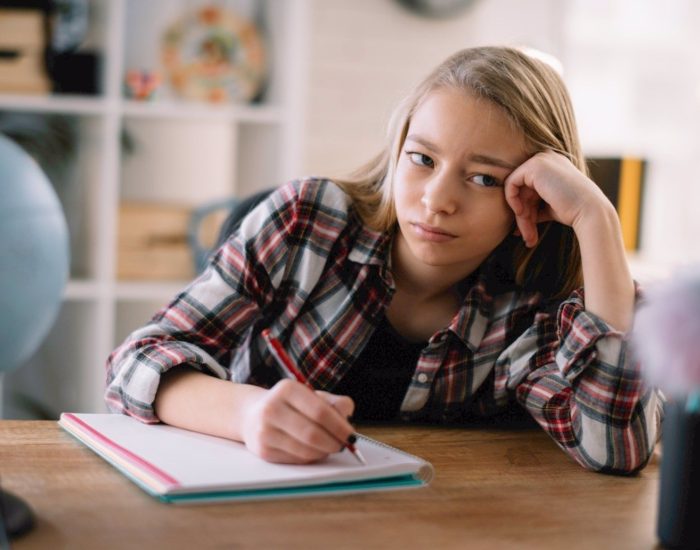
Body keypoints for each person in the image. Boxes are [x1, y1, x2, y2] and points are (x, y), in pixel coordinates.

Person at [106, 46, 662, 473]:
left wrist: (597, 220)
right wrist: (247, 414)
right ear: (398, 150)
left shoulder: (535, 307)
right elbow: (137, 361)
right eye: (422, 158)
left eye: (483, 178)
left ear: (534, 196)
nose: (436, 199)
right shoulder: (306, 222)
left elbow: (617, 446)